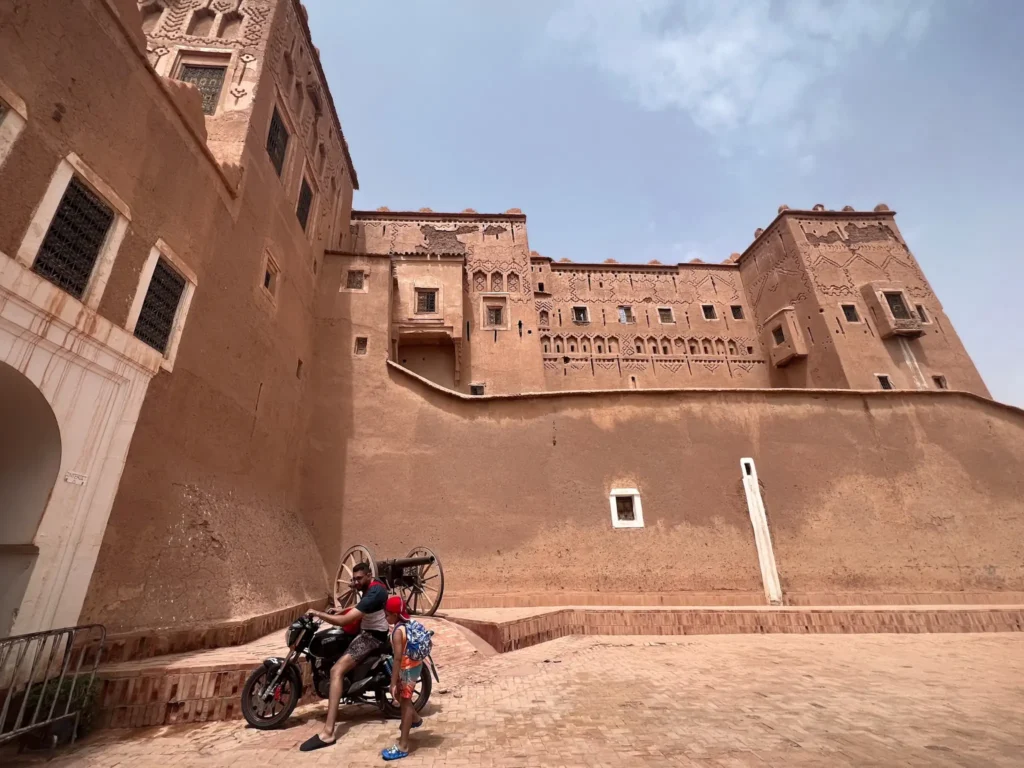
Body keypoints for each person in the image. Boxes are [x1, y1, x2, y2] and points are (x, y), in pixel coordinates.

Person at [299, 562, 390, 752]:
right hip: (365, 630)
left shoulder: (375, 593)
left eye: (359, 578)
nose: (355, 582)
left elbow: (346, 620)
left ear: (368, 576)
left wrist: (319, 613)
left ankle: (329, 732)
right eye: (354, 579)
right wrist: (339, 610)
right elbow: (359, 606)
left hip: (372, 637)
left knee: (336, 670)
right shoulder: (371, 588)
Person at [381, 595, 425, 761]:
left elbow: (398, 658)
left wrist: (393, 682)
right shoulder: (407, 624)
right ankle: (415, 719)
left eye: (387, 615)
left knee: (405, 702)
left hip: (407, 668)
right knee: (402, 697)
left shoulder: (398, 632)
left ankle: (403, 745)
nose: (385, 617)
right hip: (416, 665)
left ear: (394, 615)